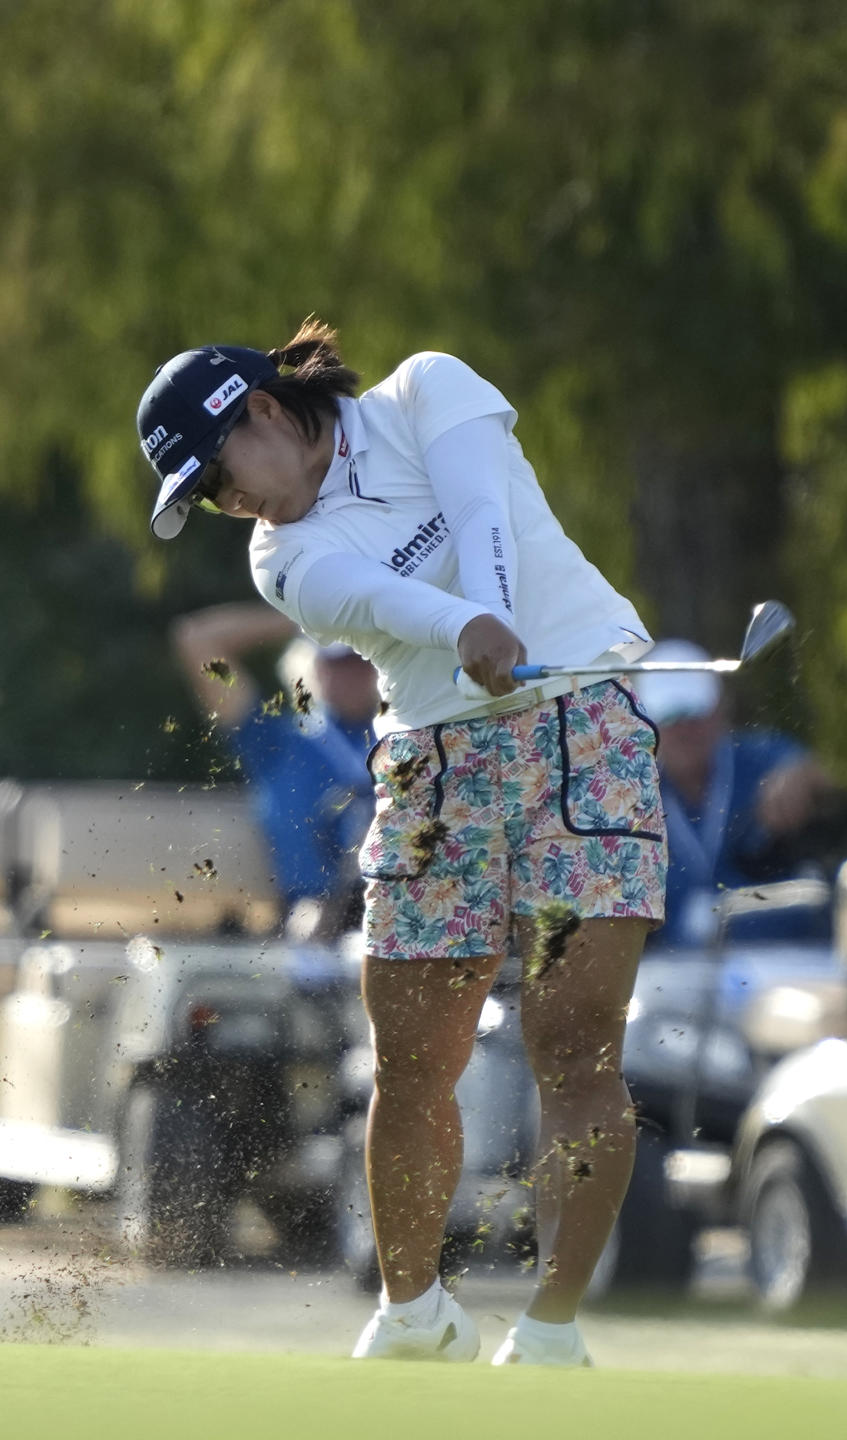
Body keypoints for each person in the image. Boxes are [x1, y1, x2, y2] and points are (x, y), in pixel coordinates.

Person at [137, 321, 667, 1367]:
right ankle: (416, 1311)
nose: (221, 501)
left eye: (217, 472)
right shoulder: (280, 558)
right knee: (415, 1056)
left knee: (576, 1045)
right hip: (434, 769)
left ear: (265, 411)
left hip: (585, 730)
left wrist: (496, 618)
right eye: (200, 496)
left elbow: (480, 510)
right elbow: (386, 603)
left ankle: (553, 1329)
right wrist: (466, 630)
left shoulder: (428, 390)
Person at [635, 640, 847, 949]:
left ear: (720, 707)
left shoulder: (762, 759)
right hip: (674, 971)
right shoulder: (633, 794)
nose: (685, 729)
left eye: (695, 712)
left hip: (781, 959)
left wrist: (803, 777)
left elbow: (828, 775)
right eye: (671, 716)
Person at [171, 602, 377, 938]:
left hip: (395, 910)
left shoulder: (405, 736)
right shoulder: (276, 740)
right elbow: (197, 639)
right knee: (311, 925)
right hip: (310, 920)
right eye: (337, 664)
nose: (353, 674)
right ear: (312, 665)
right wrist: (311, 616)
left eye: (362, 662)